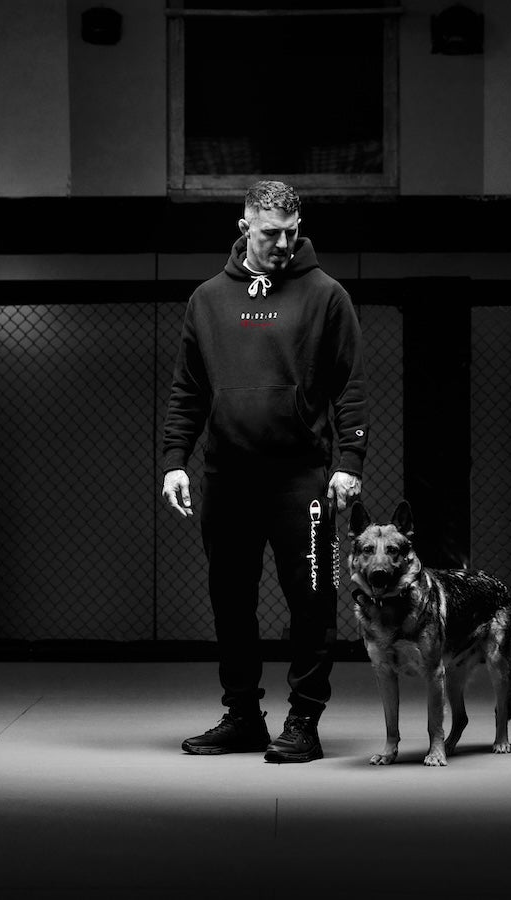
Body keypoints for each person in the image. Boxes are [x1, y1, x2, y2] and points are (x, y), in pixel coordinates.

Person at [161, 180, 367, 763]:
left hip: (300, 478)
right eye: (269, 233)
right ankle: (244, 716)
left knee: (311, 598)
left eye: (291, 233)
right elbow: (188, 392)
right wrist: (176, 461)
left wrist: (349, 461)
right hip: (228, 478)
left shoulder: (327, 296)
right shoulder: (207, 300)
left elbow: (350, 387)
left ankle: (304, 720)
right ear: (244, 225)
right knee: (230, 599)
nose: (282, 244)